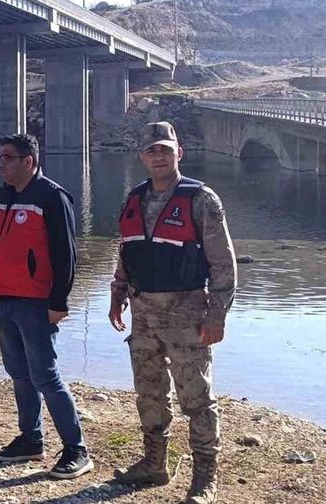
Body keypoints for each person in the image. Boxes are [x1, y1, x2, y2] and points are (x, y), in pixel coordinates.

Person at [109, 122, 237, 504]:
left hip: (188, 316)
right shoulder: (133, 199)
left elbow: (223, 264)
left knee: (196, 397)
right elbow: (126, 253)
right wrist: (117, 295)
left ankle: (204, 478)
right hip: (144, 313)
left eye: (166, 149)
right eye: (152, 151)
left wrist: (217, 315)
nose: (159, 156)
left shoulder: (201, 200)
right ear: (142, 157)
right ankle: (153, 463)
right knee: (149, 393)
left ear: (179, 153)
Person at [0, 133, 93, 479]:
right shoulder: (0, 197)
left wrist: (59, 301)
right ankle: (31, 440)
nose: (0, 163)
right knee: (20, 375)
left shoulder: (52, 197)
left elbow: (65, 254)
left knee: (45, 375)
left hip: (36, 302)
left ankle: (77, 449)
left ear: (28, 161)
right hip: (5, 299)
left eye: (7, 158)